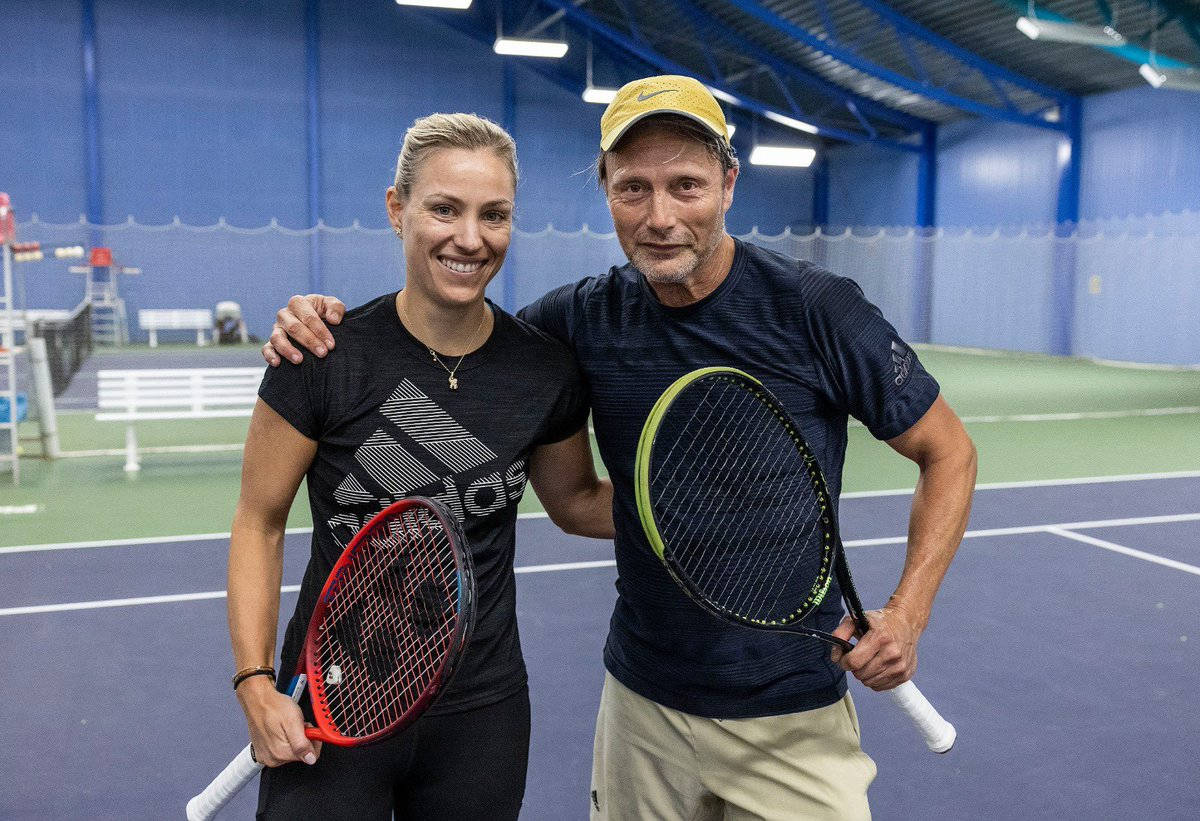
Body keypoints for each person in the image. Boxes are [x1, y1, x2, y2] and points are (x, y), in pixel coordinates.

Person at [263, 76, 978, 820]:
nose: (661, 217)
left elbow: (950, 452)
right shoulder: (579, 320)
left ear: (729, 183)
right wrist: (319, 321)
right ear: (605, 189)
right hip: (643, 711)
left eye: (687, 185)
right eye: (633, 188)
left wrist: (906, 613)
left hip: (794, 719)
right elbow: (465, 337)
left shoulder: (815, 308)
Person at [229, 112, 613, 821]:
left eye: (493, 215)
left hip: (482, 709)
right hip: (332, 698)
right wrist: (255, 681)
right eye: (444, 208)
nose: (470, 238)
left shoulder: (544, 368)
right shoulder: (322, 356)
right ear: (397, 208)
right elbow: (259, 521)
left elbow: (578, 500)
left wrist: (695, 508)